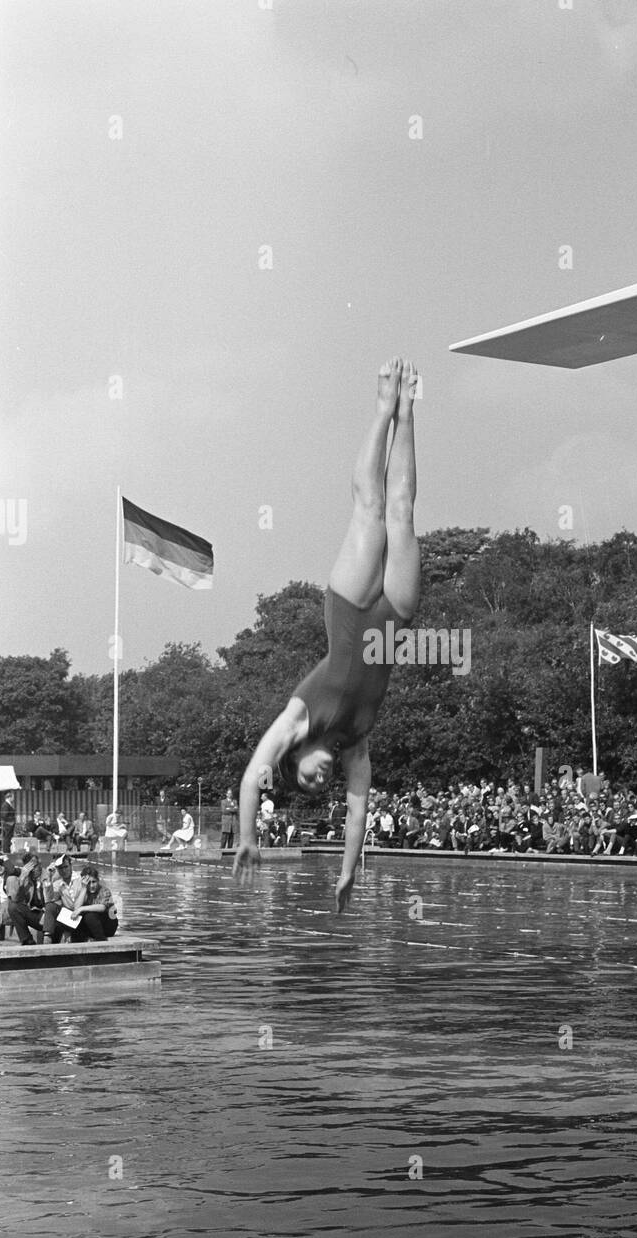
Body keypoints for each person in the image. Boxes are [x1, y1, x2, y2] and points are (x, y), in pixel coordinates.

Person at [234, 359, 421, 911]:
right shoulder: (356, 747)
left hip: (353, 606)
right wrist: (346, 874)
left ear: (294, 761)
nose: (320, 785)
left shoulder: (297, 719)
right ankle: (408, 412)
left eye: (306, 783)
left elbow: (250, 779)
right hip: (394, 618)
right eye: (321, 788)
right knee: (403, 513)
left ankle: (382, 407)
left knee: (370, 508)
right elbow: (359, 808)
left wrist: (248, 840)